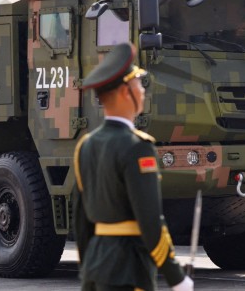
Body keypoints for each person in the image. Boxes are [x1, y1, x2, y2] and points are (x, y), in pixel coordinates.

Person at [73, 42, 193, 291]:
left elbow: (82, 223)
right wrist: (175, 276)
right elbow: (150, 220)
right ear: (124, 92)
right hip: (129, 270)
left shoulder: (85, 146)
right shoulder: (137, 147)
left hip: (96, 268)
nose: (143, 91)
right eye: (138, 84)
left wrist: (89, 269)